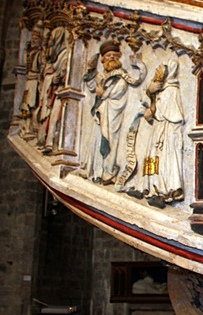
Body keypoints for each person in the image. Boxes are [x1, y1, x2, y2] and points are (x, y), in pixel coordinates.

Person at [79, 40, 146, 185]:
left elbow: (119, 90)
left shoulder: (120, 76)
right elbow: (92, 87)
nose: (111, 58)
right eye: (108, 55)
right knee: (95, 142)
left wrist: (103, 93)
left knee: (111, 143)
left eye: (114, 55)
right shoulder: (101, 75)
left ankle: (107, 172)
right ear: (103, 59)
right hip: (101, 114)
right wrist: (91, 70)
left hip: (112, 115)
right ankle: (95, 171)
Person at [138, 59, 184, 208]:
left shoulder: (171, 89)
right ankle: (151, 188)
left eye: (160, 69)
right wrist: (150, 92)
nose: (157, 71)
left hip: (167, 132)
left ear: (167, 72)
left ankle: (163, 191)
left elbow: (167, 112)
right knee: (152, 157)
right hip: (159, 129)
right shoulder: (163, 89)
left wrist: (152, 110)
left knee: (164, 161)